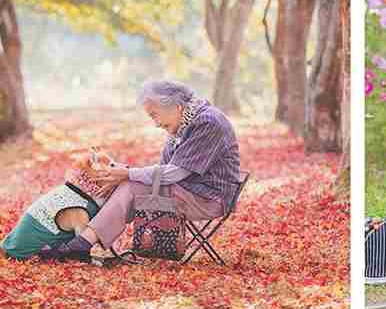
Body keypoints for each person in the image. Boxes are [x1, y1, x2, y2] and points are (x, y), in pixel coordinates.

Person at [38, 80, 242, 262]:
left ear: (177, 107)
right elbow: (164, 171)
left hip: (209, 198)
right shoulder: (181, 123)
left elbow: (174, 174)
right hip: (189, 191)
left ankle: (80, 245)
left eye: (154, 115)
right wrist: (122, 172)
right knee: (126, 182)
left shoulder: (207, 122)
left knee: (131, 184)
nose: (155, 124)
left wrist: (128, 174)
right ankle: (78, 241)